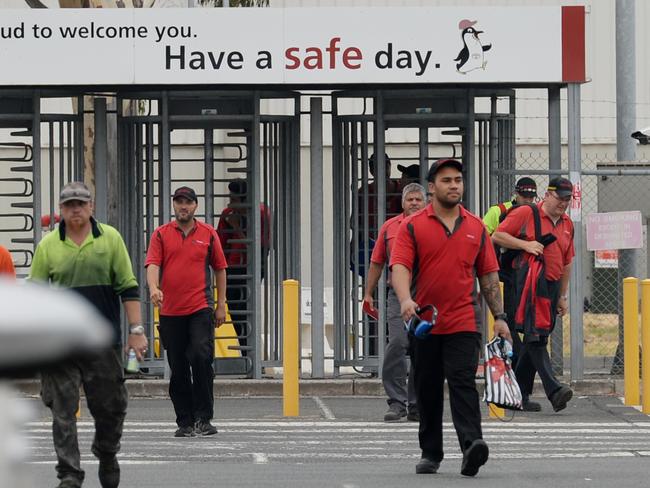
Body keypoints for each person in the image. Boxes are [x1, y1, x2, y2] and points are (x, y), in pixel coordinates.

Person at [390, 159, 511, 477]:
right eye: (447, 180)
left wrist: (500, 317)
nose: (454, 185)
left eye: (458, 179)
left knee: (462, 382)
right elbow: (400, 266)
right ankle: (430, 452)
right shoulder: (413, 226)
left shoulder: (475, 227)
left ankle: (472, 446)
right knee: (427, 387)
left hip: (463, 322)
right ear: (432, 187)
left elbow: (487, 275)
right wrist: (405, 299)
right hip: (425, 323)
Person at [29, 181, 147, 488]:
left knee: (111, 408)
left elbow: (128, 287)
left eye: (80, 204)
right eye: (69, 205)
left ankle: (107, 454)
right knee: (62, 412)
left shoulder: (110, 239)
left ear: (91, 206)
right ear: (61, 210)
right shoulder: (48, 246)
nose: (75, 209)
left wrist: (136, 331)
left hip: (102, 343)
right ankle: (69, 474)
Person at [146, 186, 227, 438]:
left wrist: (221, 303)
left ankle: (204, 418)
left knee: (202, 358)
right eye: (179, 202)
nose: (183, 206)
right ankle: (185, 420)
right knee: (178, 366)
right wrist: (153, 288)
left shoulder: (209, 234)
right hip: (171, 311)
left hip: (200, 307)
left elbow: (220, 268)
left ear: (195, 206)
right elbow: (153, 264)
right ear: (173, 205)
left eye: (188, 202)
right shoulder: (161, 235)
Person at [492, 177, 575, 413]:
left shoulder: (568, 223)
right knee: (534, 336)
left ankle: (516, 395)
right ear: (547, 195)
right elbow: (498, 236)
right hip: (529, 285)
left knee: (536, 339)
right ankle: (554, 390)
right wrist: (525, 245)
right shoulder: (527, 213)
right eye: (560, 198)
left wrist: (562, 295)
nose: (563, 203)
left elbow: (567, 262)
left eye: (567, 199)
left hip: (552, 286)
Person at [363, 183, 426, 423]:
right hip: (397, 296)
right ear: (402, 203)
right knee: (399, 343)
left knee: (423, 349)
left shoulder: (434, 226)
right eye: (409, 199)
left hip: (426, 293)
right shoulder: (389, 228)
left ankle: (416, 403)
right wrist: (368, 293)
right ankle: (396, 402)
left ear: (425, 202)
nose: (413, 203)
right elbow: (377, 261)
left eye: (418, 199)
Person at [483, 177, 537, 377]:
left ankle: (521, 381)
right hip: (503, 277)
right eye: (524, 196)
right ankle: (514, 375)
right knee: (511, 327)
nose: (528, 200)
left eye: (532, 197)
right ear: (516, 193)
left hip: (527, 278)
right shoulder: (498, 211)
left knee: (533, 333)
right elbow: (484, 239)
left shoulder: (536, 213)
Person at [216, 179, 271, 354]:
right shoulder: (228, 213)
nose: (230, 202)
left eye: (234, 199)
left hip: (252, 268)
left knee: (248, 311)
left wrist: (236, 227)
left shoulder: (262, 214)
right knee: (237, 313)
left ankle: (252, 355)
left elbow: (260, 247)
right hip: (232, 269)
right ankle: (247, 353)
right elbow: (220, 244)